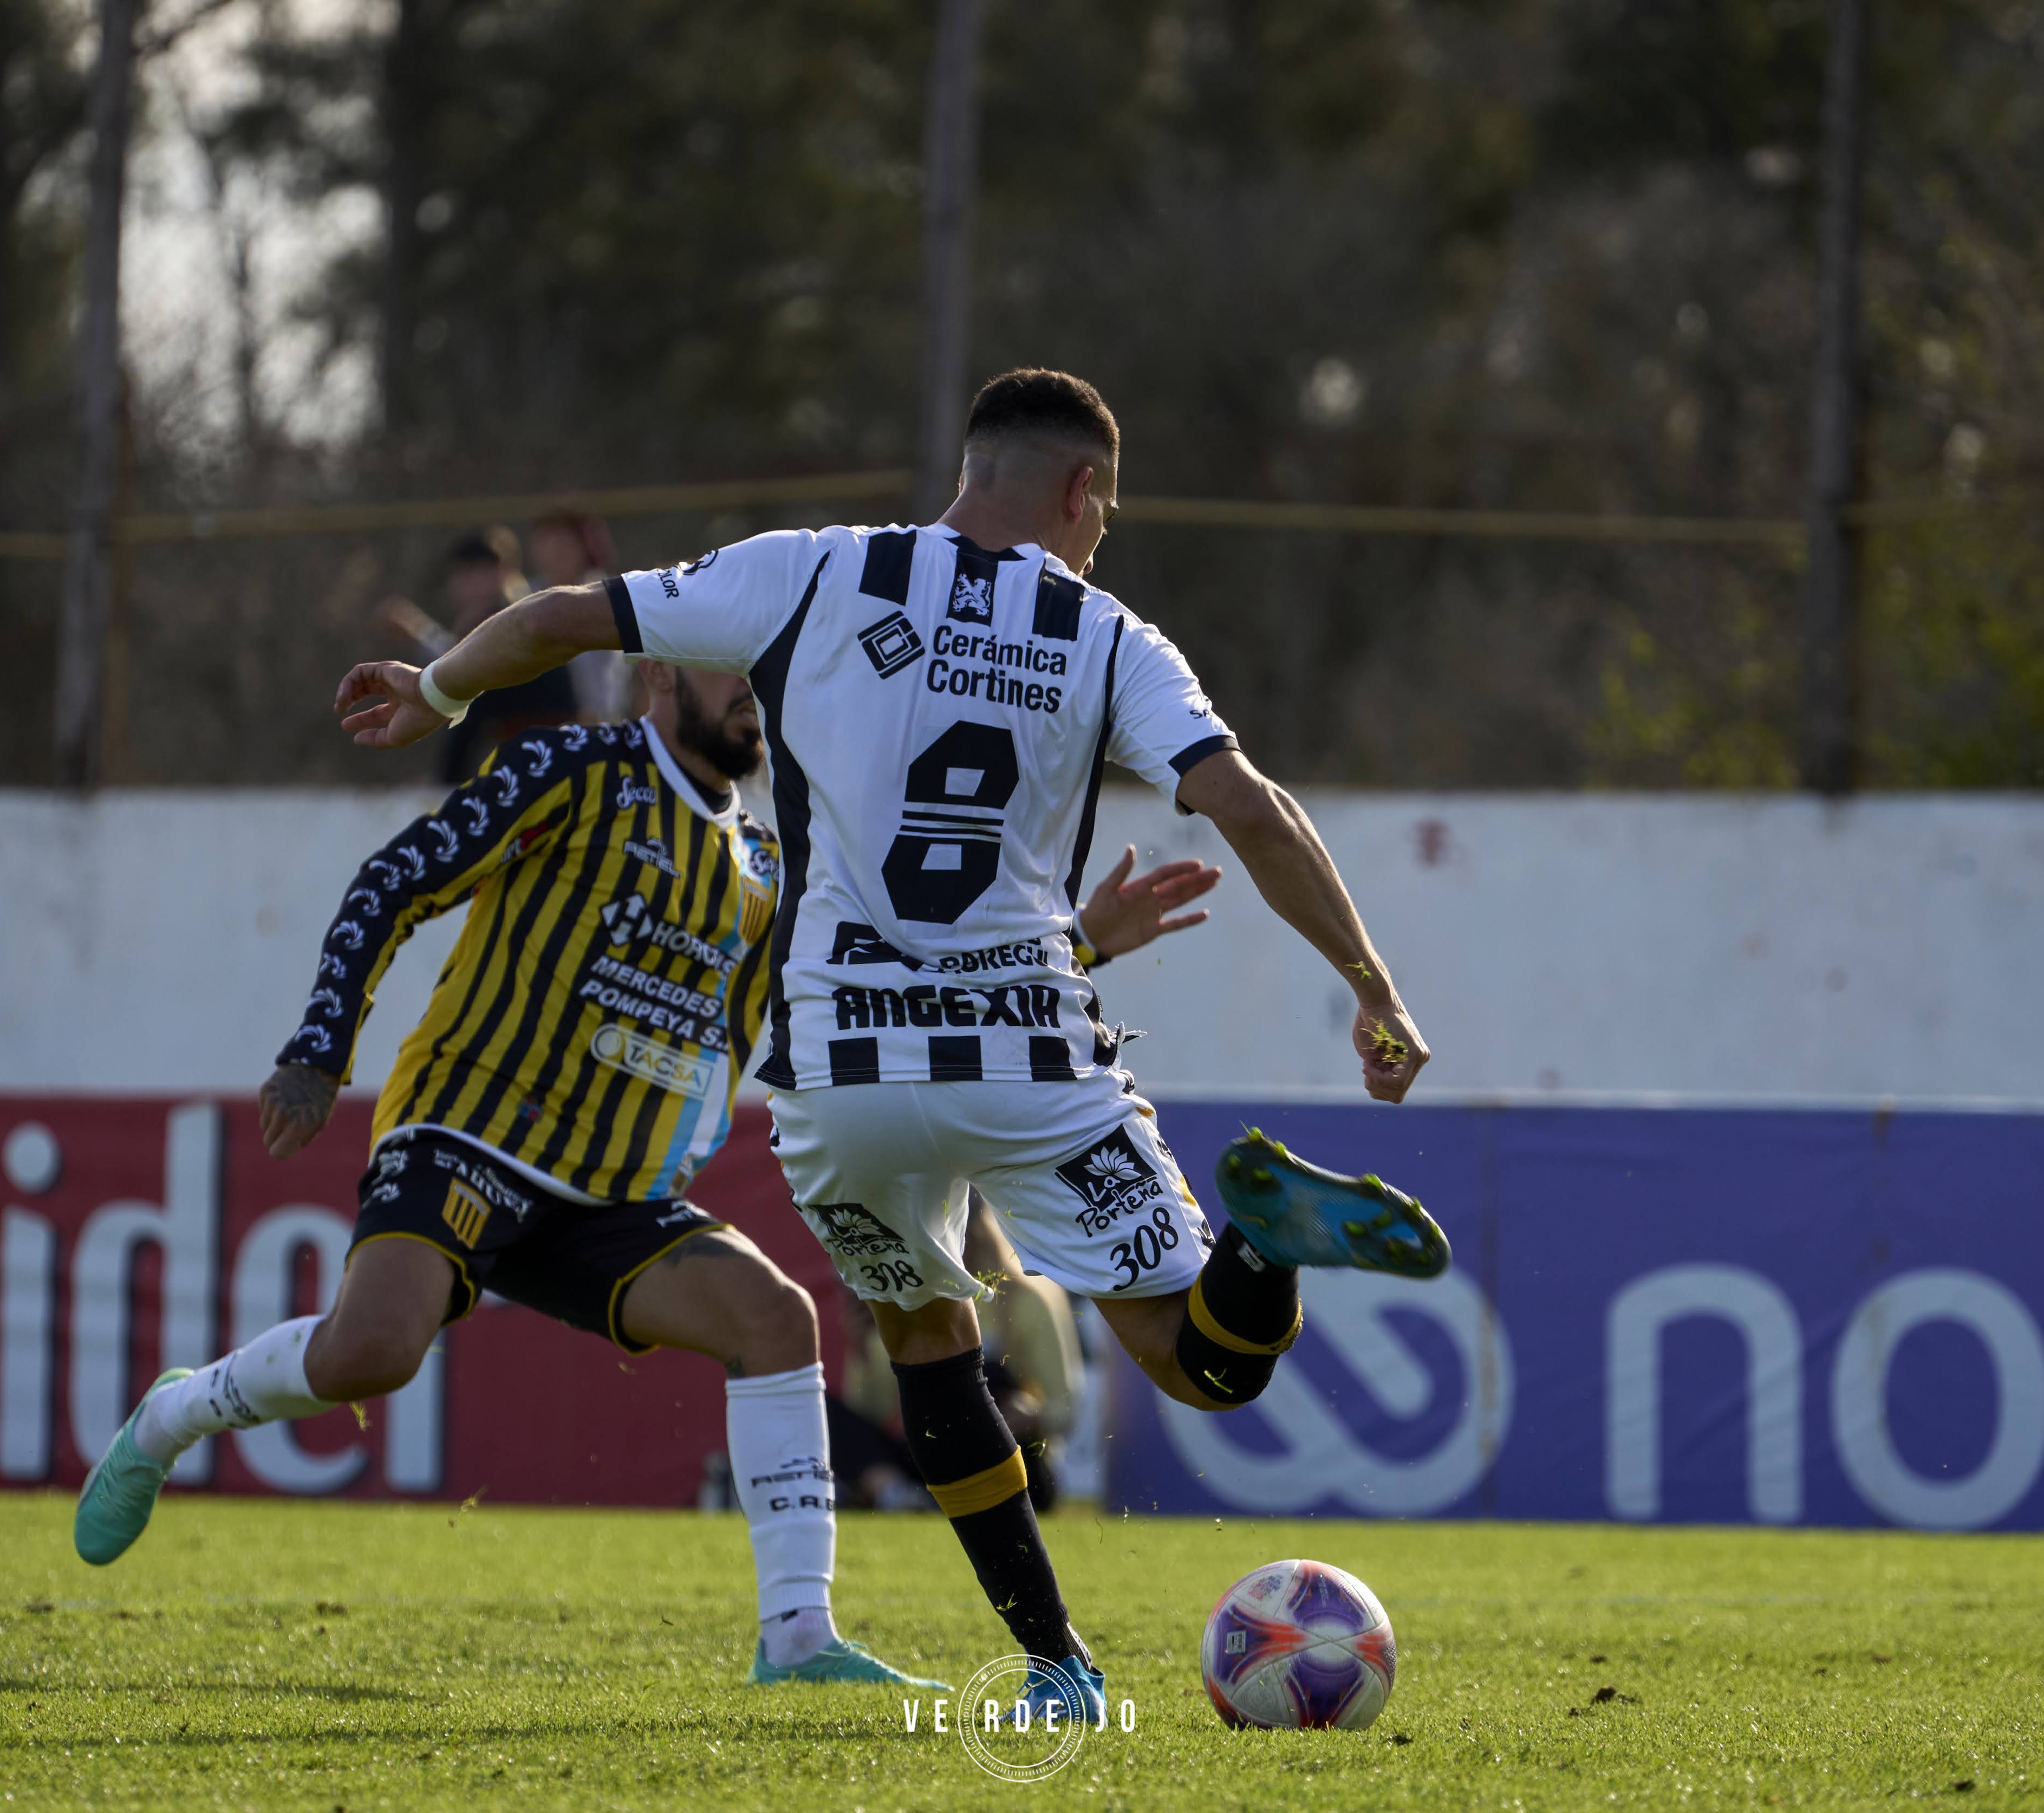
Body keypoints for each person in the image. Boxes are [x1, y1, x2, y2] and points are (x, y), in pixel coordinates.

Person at [325, 367, 1446, 1725]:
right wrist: (1371, 986)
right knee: (1206, 1361)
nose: (1100, 536)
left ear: (971, 470)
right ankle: (1261, 1248)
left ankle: (1058, 1667)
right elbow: (1250, 809)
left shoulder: (809, 571)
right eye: (1104, 513)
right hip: (1029, 1058)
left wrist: (440, 688)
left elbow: (564, 614)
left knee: (925, 1340)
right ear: (1081, 490)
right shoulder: (1107, 637)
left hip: (841, 1076)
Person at [72, 646, 1214, 1689]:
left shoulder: (767, 864)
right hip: (471, 1133)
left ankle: (798, 1636)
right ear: (657, 675)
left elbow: (883, 1002)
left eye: (765, 683)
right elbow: (394, 880)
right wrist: (320, 1047)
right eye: (731, 676)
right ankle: (173, 1416)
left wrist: (1077, 945)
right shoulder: (570, 771)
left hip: (616, 1195)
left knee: (775, 1319)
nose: (754, 701)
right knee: (369, 1351)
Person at [418, 530, 581, 784]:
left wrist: (445, 782)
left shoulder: (511, 625)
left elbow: (472, 711)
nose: (465, 586)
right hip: (528, 754)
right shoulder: (497, 623)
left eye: (476, 573)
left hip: (542, 755)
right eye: (461, 575)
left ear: (500, 574)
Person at [529, 509, 636, 723]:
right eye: (548, 542)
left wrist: (597, 715)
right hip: (539, 720)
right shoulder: (526, 596)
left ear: (584, 547)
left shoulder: (607, 595)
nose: (556, 552)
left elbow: (610, 673)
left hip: (600, 722)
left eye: (565, 544)